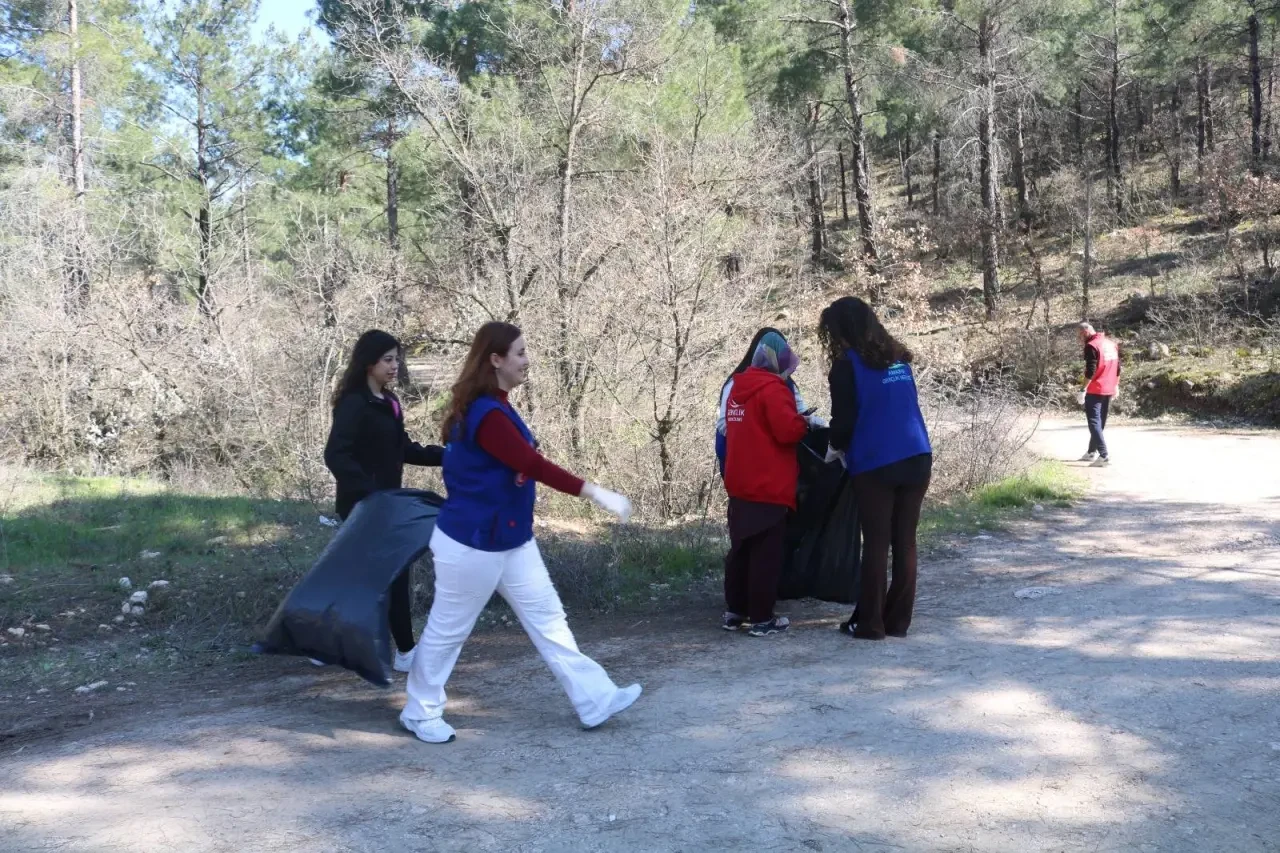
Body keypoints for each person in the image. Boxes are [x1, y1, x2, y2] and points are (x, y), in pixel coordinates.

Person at [399, 321, 641, 744]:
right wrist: (595, 493)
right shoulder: (487, 414)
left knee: (549, 620)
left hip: (509, 538)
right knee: (448, 630)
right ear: (496, 359)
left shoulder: (495, 405)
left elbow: (519, 464)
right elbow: (532, 466)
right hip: (472, 542)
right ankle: (419, 712)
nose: (528, 361)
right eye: (521, 353)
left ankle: (594, 698)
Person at [324, 329, 442, 673]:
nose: (395, 365)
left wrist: (448, 456)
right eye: (387, 359)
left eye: (397, 358)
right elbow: (336, 455)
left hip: (386, 505)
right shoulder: (354, 403)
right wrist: (368, 491)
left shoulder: (390, 403)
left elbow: (403, 449)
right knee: (387, 575)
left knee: (376, 575)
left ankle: (331, 638)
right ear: (369, 363)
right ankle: (404, 651)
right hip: (362, 506)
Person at [819, 297, 932, 641]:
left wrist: (833, 448)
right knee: (905, 542)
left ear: (841, 331)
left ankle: (870, 624)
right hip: (917, 454)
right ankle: (898, 622)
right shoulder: (900, 359)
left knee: (877, 543)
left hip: (876, 461)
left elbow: (845, 421)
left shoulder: (846, 366)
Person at [721, 331, 810, 636]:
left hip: (739, 482)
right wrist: (804, 422)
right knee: (766, 554)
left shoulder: (737, 388)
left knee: (741, 550)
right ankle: (761, 618)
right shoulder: (773, 389)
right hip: (769, 483)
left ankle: (734, 611)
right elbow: (787, 431)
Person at [716, 327, 824, 476]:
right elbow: (723, 425)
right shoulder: (735, 384)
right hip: (747, 463)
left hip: (759, 469)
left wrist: (807, 420)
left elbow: (800, 412)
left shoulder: (786, 383)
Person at [1077, 322, 1120, 468]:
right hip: (1108, 388)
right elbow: (1118, 368)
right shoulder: (1110, 344)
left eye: (1081, 334)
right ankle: (1091, 452)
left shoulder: (1092, 346)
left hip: (1095, 389)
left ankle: (1104, 455)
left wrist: (1083, 389)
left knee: (1094, 422)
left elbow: (1090, 370)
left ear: (1086, 331)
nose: (1080, 338)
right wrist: (1116, 385)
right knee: (1099, 422)